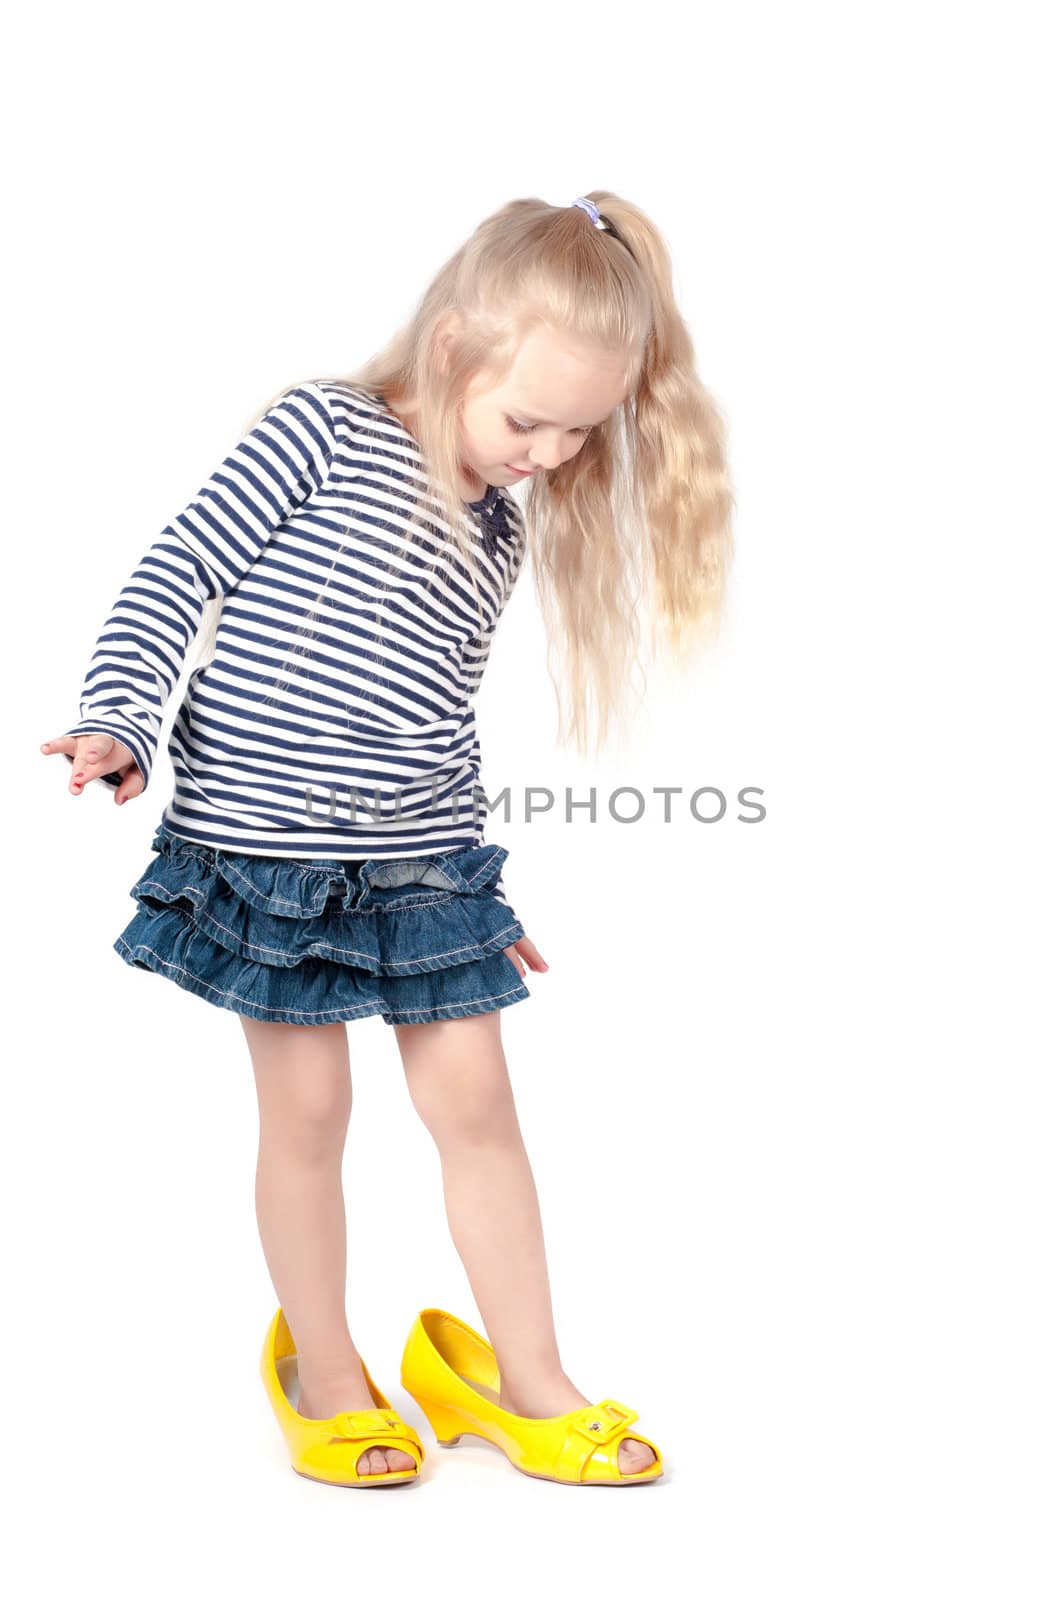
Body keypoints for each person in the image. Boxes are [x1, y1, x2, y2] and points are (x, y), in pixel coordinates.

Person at [40, 192, 734, 1489]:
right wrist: (122, 721)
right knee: (307, 1108)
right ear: (457, 345)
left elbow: (440, 717)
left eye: (578, 435)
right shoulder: (320, 429)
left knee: (478, 1103)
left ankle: (528, 1380)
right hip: (269, 856)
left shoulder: (496, 527)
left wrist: (481, 887)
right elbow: (174, 572)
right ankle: (327, 1368)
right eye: (528, 420)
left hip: (422, 865)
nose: (546, 453)